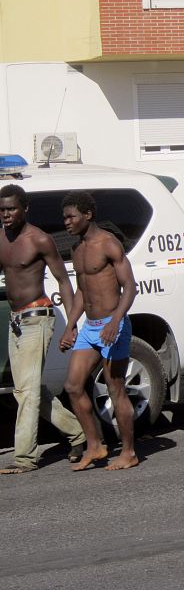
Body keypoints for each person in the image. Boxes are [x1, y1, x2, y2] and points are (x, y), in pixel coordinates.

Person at [0, 184, 85, 474]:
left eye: (12, 209)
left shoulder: (39, 239)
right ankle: (79, 432)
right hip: (16, 321)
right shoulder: (1, 238)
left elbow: (63, 280)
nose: (6, 214)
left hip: (38, 318)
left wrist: (71, 325)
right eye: (2, 210)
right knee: (28, 389)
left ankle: (25, 458)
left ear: (25, 208)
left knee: (27, 391)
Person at [58, 191, 138, 471]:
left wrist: (116, 321)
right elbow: (82, 290)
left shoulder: (108, 243)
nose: (66, 222)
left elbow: (130, 287)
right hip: (90, 328)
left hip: (113, 325)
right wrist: (70, 325)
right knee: (73, 386)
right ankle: (95, 446)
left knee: (116, 388)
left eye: (71, 217)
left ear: (88, 214)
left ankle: (128, 452)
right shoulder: (76, 248)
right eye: (64, 217)